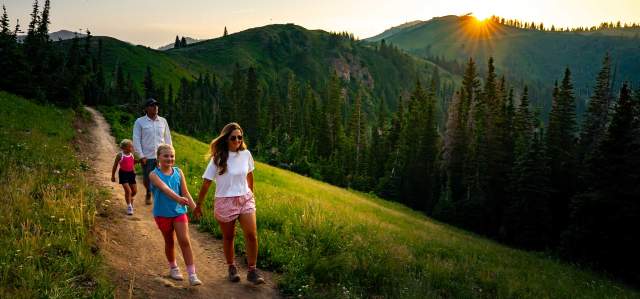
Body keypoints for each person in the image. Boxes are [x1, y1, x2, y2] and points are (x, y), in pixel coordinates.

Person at [194, 123, 265, 285]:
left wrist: (250, 193)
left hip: (245, 198)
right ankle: (231, 267)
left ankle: (252, 270)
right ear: (226, 139)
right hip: (225, 200)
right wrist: (199, 205)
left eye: (240, 137)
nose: (237, 140)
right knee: (229, 236)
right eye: (233, 137)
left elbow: (249, 175)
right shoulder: (217, 158)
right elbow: (206, 183)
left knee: (251, 235)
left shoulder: (246, 154)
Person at [149, 144, 202, 286]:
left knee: (184, 240)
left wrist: (195, 208)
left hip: (179, 212)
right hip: (162, 214)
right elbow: (164, 188)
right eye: (166, 155)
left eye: (172, 156)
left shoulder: (178, 172)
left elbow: (185, 192)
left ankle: (192, 274)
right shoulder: (153, 174)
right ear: (158, 158)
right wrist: (178, 199)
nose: (169, 158)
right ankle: (173, 267)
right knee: (169, 241)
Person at [133, 98, 172, 205]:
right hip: (147, 156)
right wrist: (141, 156)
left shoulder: (163, 121)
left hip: (161, 156)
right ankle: (148, 192)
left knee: (163, 177)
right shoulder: (139, 122)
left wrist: (170, 155)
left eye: (156, 105)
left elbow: (168, 138)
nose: (155, 107)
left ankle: (161, 198)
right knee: (147, 178)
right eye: (152, 105)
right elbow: (136, 139)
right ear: (146, 108)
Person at [111, 139, 138, 215]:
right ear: (125, 148)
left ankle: (129, 198)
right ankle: (129, 207)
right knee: (128, 191)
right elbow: (115, 165)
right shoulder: (120, 155)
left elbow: (132, 163)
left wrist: (134, 170)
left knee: (134, 191)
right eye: (130, 147)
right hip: (123, 174)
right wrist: (113, 176)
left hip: (131, 174)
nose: (132, 148)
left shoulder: (132, 154)